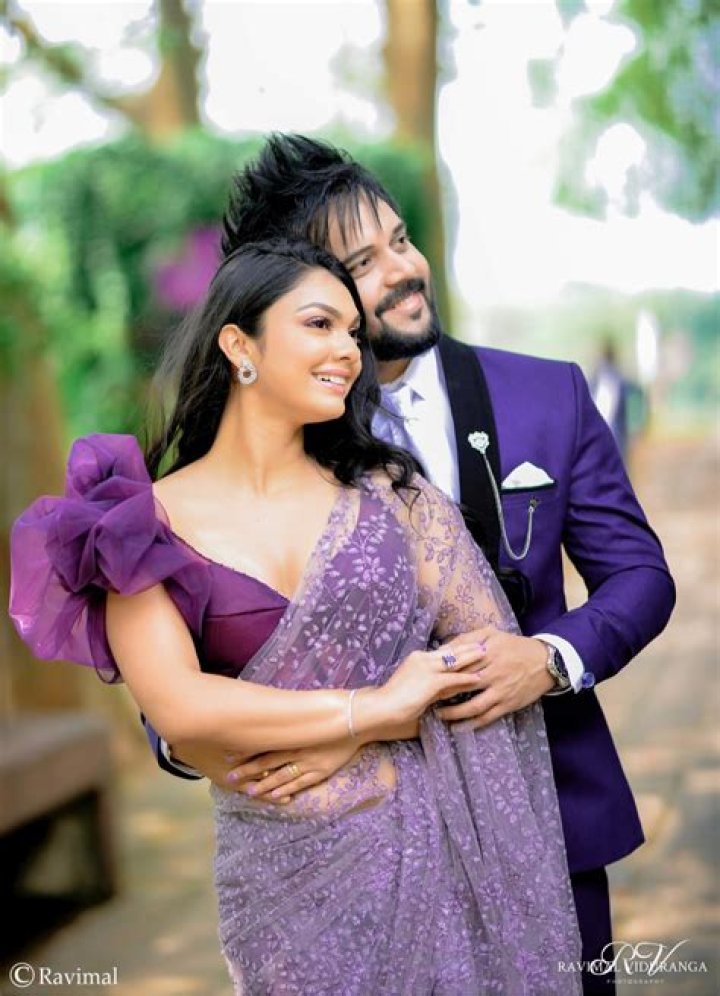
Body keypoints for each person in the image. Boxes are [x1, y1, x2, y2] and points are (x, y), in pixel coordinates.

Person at [151, 135, 676, 996]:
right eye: (362, 263)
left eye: (400, 239)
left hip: (553, 813)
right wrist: (256, 741)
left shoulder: (546, 394)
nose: (403, 270)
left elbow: (641, 578)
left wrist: (547, 659)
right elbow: (192, 655)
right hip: (338, 850)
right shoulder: (253, 455)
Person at [9, 239, 582, 994]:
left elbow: (492, 656)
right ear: (238, 345)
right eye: (319, 324)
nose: (347, 350)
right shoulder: (137, 523)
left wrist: (377, 727)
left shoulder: (397, 500)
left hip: (432, 859)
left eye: (353, 332)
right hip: (281, 888)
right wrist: (370, 712)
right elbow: (178, 705)